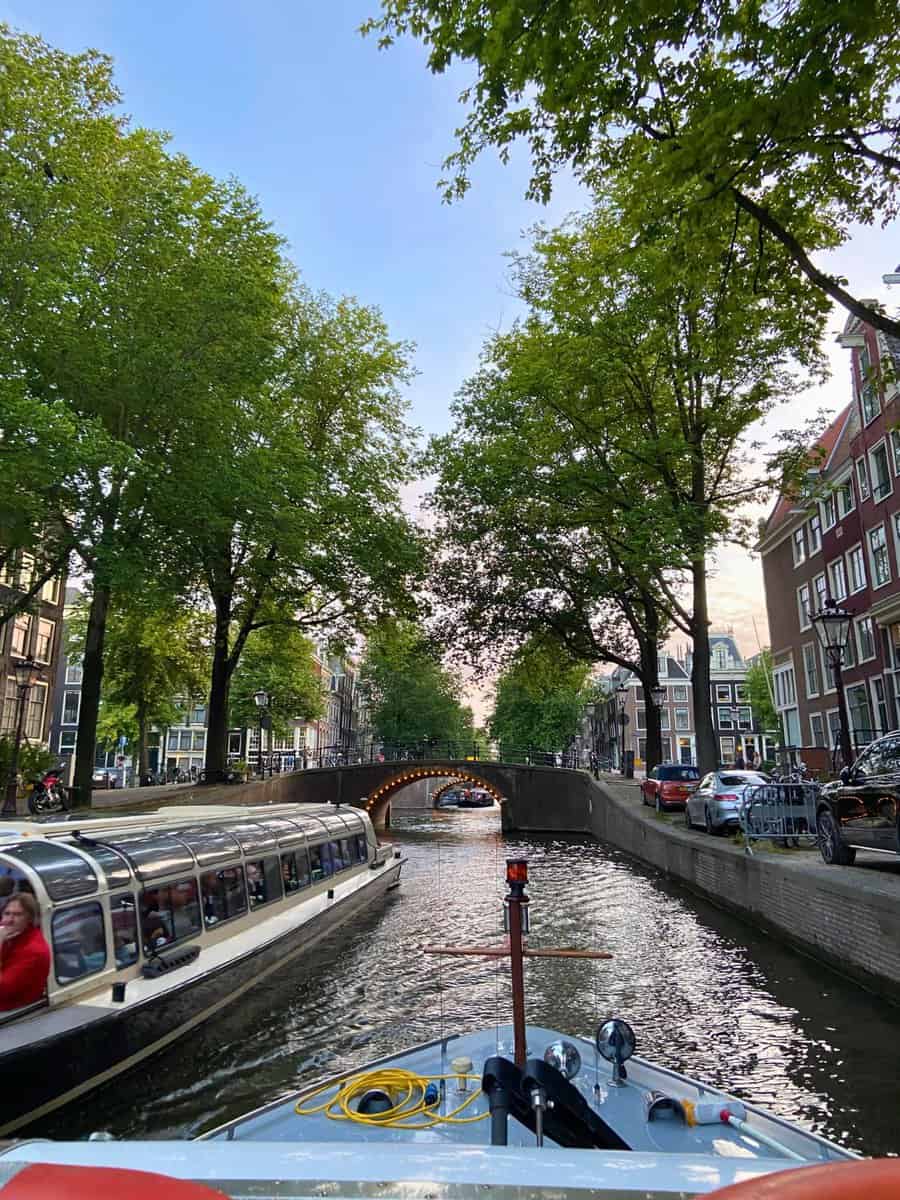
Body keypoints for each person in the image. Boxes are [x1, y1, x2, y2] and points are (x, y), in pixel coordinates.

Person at [0, 893, 51, 1012]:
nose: (9, 920)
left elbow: (2, 991)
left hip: (11, 1011)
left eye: (17, 915)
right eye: (7, 913)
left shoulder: (34, 950)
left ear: (30, 918)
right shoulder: (10, 935)